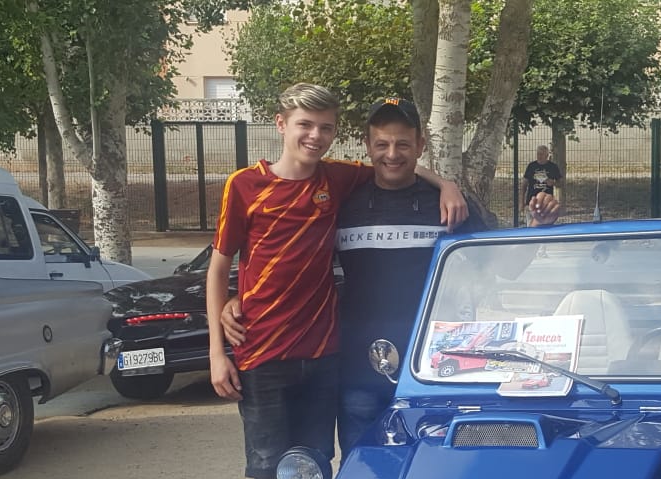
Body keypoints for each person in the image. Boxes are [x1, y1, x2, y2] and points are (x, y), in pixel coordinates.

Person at [205, 84, 467, 479]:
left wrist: (447, 183)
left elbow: (398, 164)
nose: (315, 136)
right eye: (305, 125)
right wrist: (218, 343)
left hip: (326, 354)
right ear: (281, 124)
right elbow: (220, 264)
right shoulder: (245, 185)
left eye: (325, 127)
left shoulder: (337, 180)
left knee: (320, 475)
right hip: (262, 355)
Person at [221, 97, 560, 456]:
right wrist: (238, 298)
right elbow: (297, 261)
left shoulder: (451, 205)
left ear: (420, 145)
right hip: (358, 373)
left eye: (403, 144)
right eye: (381, 144)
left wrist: (537, 228)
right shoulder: (343, 201)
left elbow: (503, 268)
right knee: (363, 473)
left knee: (434, 471)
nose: (392, 154)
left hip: (436, 371)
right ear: (367, 146)